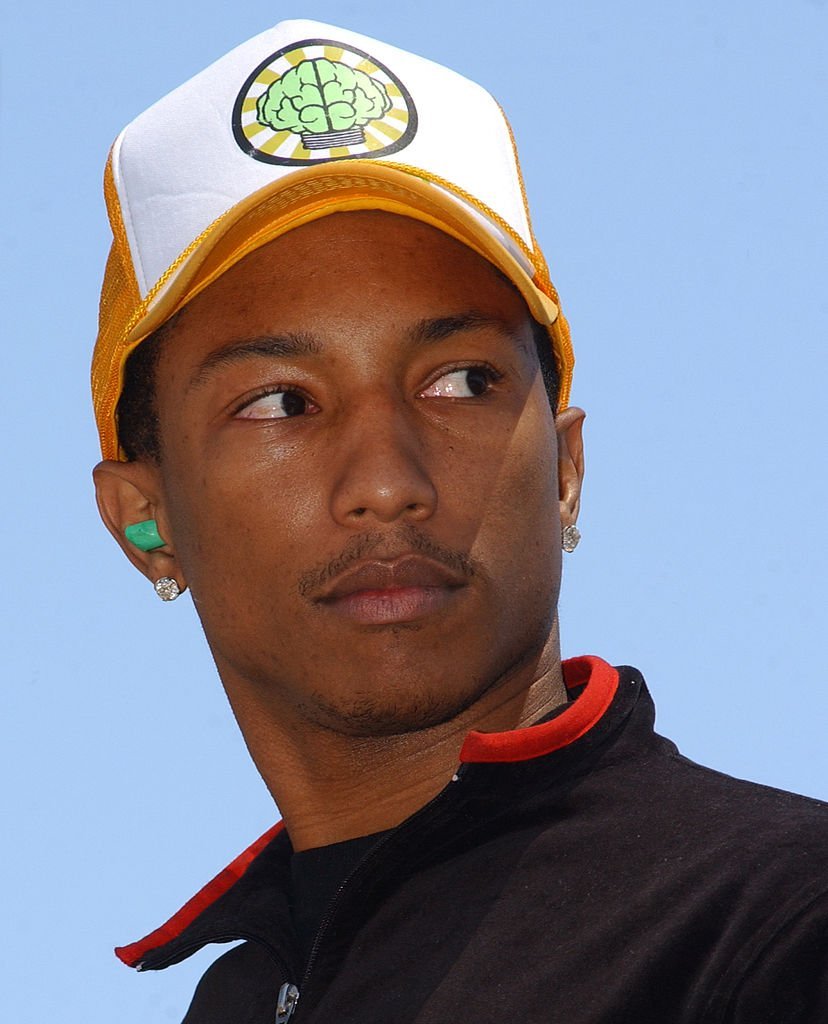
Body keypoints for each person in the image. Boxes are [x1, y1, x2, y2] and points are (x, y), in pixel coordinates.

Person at [91, 18, 828, 1024]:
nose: (387, 481)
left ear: (567, 469)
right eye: (281, 401)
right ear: (146, 521)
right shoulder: (240, 995)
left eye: (461, 380)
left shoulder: (779, 926)